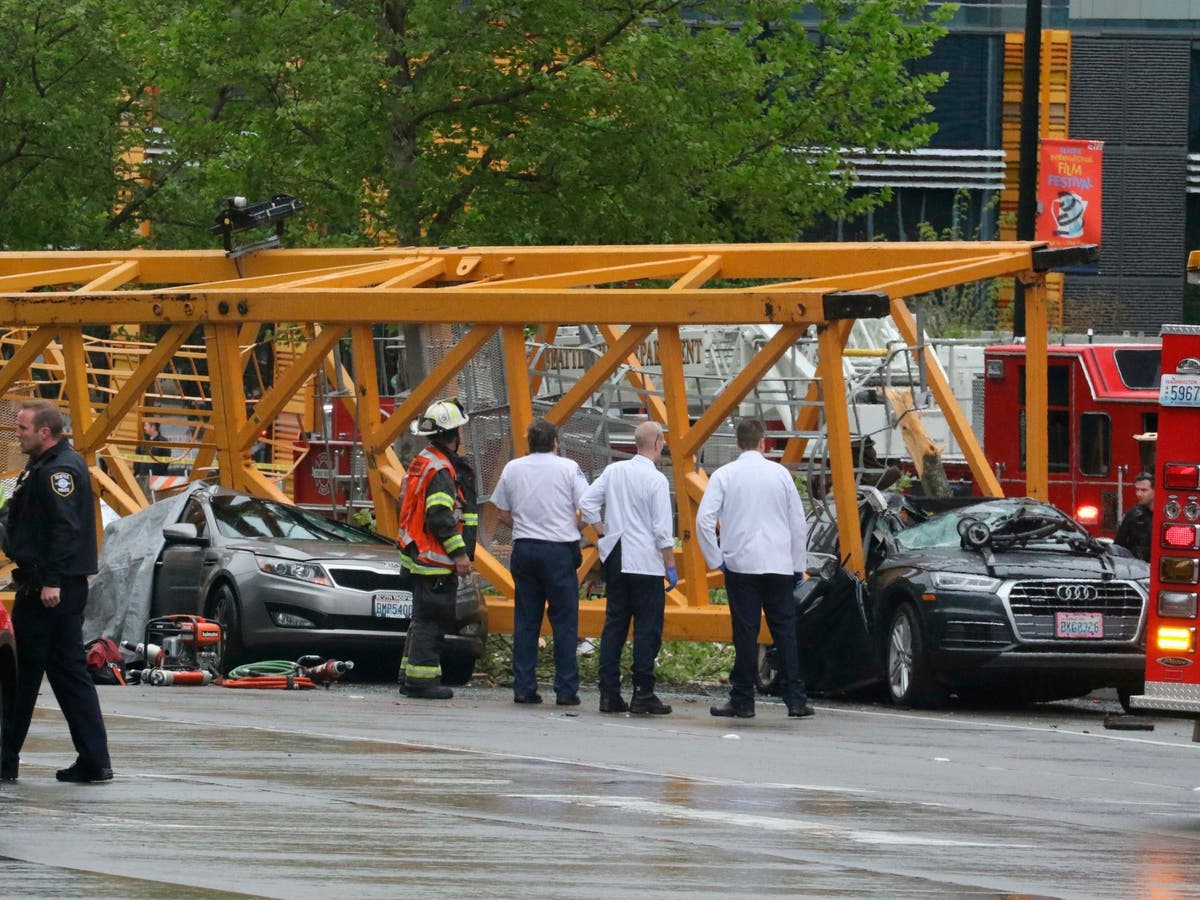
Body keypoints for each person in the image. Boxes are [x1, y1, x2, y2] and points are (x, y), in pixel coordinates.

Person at [1, 399, 112, 782]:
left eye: (23, 429)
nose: (17, 435)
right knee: (67, 675)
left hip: (48, 591)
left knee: (20, 676)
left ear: (44, 433)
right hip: (51, 587)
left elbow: (66, 530)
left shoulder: (59, 471)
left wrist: (52, 581)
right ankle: (94, 760)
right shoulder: (44, 466)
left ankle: (6, 758)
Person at [695, 418, 812, 720]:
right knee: (784, 631)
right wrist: (797, 565)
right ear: (764, 443)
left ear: (737, 443)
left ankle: (743, 699)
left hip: (741, 563)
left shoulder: (724, 475)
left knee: (745, 633)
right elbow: (798, 523)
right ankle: (795, 698)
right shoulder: (781, 475)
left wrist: (716, 558)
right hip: (778, 563)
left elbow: (704, 520)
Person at [579, 421, 676, 715]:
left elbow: (586, 502)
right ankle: (643, 693)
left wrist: (601, 527)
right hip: (645, 560)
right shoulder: (656, 480)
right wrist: (670, 564)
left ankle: (609, 695)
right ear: (658, 442)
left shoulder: (614, 471)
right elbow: (661, 529)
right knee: (647, 629)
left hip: (617, 555)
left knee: (615, 626)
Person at [490, 418, 589, 706]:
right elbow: (588, 504)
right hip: (559, 551)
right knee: (565, 623)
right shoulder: (569, 468)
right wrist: (575, 528)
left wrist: (523, 524)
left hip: (525, 549)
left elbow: (501, 513)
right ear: (555, 443)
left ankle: (524, 687)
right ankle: (566, 690)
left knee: (526, 621)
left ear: (529, 444)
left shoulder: (513, 468)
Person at [395, 398, 478, 700]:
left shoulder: (423, 461)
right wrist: (459, 554)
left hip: (418, 554)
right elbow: (441, 516)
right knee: (433, 619)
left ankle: (409, 675)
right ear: (453, 433)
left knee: (421, 619)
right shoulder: (442, 469)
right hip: (434, 558)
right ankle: (422, 681)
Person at [1114, 472, 1154, 562]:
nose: (1139, 494)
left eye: (1144, 490)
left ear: (1155, 490)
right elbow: (1119, 546)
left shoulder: (1163, 516)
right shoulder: (1133, 515)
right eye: (1137, 490)